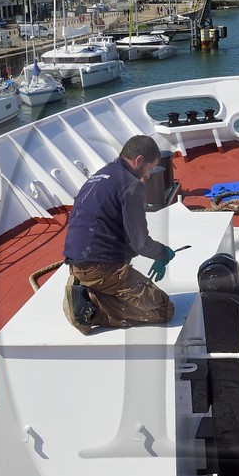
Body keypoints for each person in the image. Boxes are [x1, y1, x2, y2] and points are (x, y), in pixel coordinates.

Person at [61, 133, 176, 332]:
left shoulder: (99, 175)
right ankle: (91, 307)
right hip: (103, 268)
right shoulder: (131, 185)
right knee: (163, 309)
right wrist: (162, 253)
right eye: (149, 169)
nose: (148, 176)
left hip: (78, 263)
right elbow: (139, 242)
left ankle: (88, 286)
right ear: (138, 160)